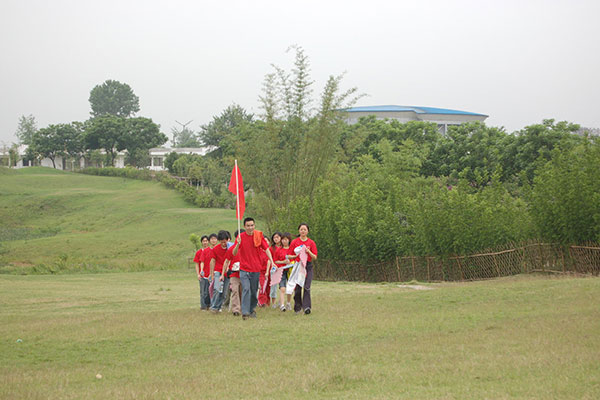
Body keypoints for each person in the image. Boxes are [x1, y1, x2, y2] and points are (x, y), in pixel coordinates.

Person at [232, 217, 275, 320]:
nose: (250, 227)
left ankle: (251, 309)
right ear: (244, 226)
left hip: (256, 268)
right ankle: (245, 312)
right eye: (248, 226)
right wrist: (237, 244)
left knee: (253, 290)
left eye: (252, 225)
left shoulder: (258, 236)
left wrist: (272, 261)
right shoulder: (240, 237)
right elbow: (234, 253)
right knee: (246, 289)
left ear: (254, 225)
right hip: (244, 268)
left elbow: (266, 249)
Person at [287, 223, 318, 315]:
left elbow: (315, 257)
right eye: (301, 229)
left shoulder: (311, 243)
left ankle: (307, 307)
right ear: (299, 231)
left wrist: (308, 252)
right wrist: (296, 255)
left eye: (305, 229)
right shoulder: (294, 242)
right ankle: (297, 306)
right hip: (298, 266)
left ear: (307, 231)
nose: (303, 231)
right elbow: (288, 255)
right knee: (298, 288)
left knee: (307, 287)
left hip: (308, 266)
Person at [223, 229, 244, 316]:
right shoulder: (232, 249)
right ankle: (236, 309)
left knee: (242, 291)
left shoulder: (247, 248)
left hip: (244, 273)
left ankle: (243, 307)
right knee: (234, 290)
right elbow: (226, 261)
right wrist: (223, 273)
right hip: (234, 273)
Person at [209, 230, 230, 313]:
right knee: (217, 289)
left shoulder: (230, 248)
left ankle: (219, 306)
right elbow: (212, 261)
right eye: (221, 242)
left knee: (224, 292)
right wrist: (212, 274)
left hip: (227, 272)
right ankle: (214, 307)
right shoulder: (215, 249)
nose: (223, 244)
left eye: (224, 242)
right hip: (218, 271)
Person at [273, 232, 293, 311]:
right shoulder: (279, 250)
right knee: (282, 288)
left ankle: (288, 302)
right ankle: (282, 305)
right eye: (283, 239)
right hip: (281, 271)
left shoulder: (292, 249)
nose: (284, 241)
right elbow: (275, 261)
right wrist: (283, 262)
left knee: (290, 288)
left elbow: (295, 259)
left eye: (286, 239)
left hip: (290, 270)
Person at [193, 235, 211, 310]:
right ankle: (203, 306)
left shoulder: (211, 251)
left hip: (210, 274)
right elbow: (197, 264)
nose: (205, 242)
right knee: (203, 291)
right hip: (202, 275)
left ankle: (209, 305)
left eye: (206, 241)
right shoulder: (199, 252)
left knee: (209, 291)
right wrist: (198, 274)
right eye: (203, 241)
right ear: (201, 242)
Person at [268, 232, 282, 308]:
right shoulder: (271, 248)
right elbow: (269, 259)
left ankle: (281, 301)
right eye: (274, 237)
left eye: (277, 237)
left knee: (282, 287)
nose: (276, 239)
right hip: (274, 268)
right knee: (273, 287)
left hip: (282, 268)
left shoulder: (284, 247)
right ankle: (273, 303)